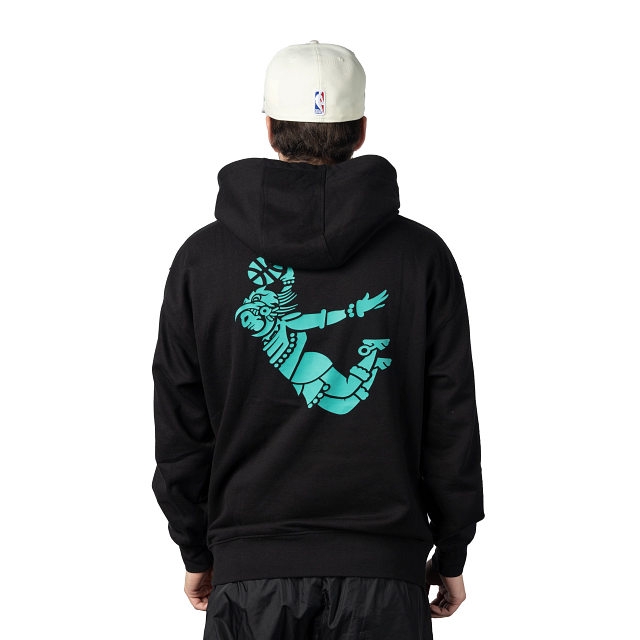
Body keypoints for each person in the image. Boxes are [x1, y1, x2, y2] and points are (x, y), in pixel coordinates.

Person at [152, 40, 484, 640]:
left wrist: (196, 549)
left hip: (250, 580)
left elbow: (180, 424)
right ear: (361, 129)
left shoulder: (201, 262)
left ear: (270, 128)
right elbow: (451, 420)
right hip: (385, 579)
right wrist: (453, 550)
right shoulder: (422, 258)